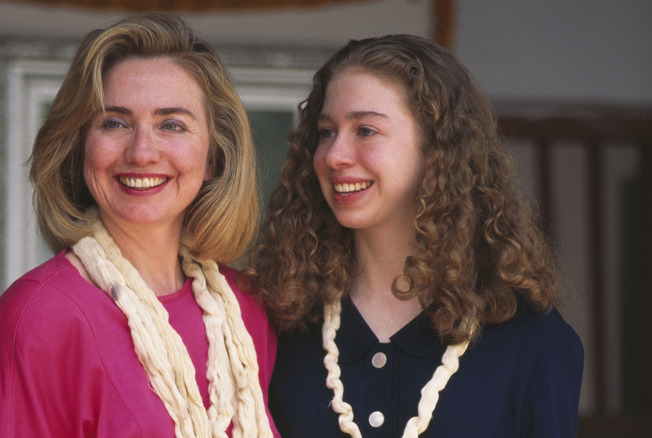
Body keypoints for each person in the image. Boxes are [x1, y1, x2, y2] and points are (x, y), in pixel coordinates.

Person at [247, 34, 584, 437]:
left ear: (436, 149)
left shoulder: (531, 341)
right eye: (326, 132)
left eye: (366, 130)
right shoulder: (277, 322)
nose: (334, 155)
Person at [0, 13, 279, 438]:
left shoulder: (244, 313)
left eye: (172, 124)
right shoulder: (40, 318)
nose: (142, 151)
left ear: (214, 157)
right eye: (114, 123)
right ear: (79, 148)